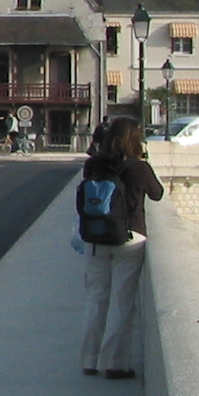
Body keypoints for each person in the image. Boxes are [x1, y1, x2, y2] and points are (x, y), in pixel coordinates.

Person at [78, 114, 163, 379]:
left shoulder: (93, 164)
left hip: (96, 237)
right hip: (130, 239)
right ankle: (115, 363)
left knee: (96, 299)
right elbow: (157, 194)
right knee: (122, 301)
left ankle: (89, 360)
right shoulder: (139, 168)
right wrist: (144, 160)